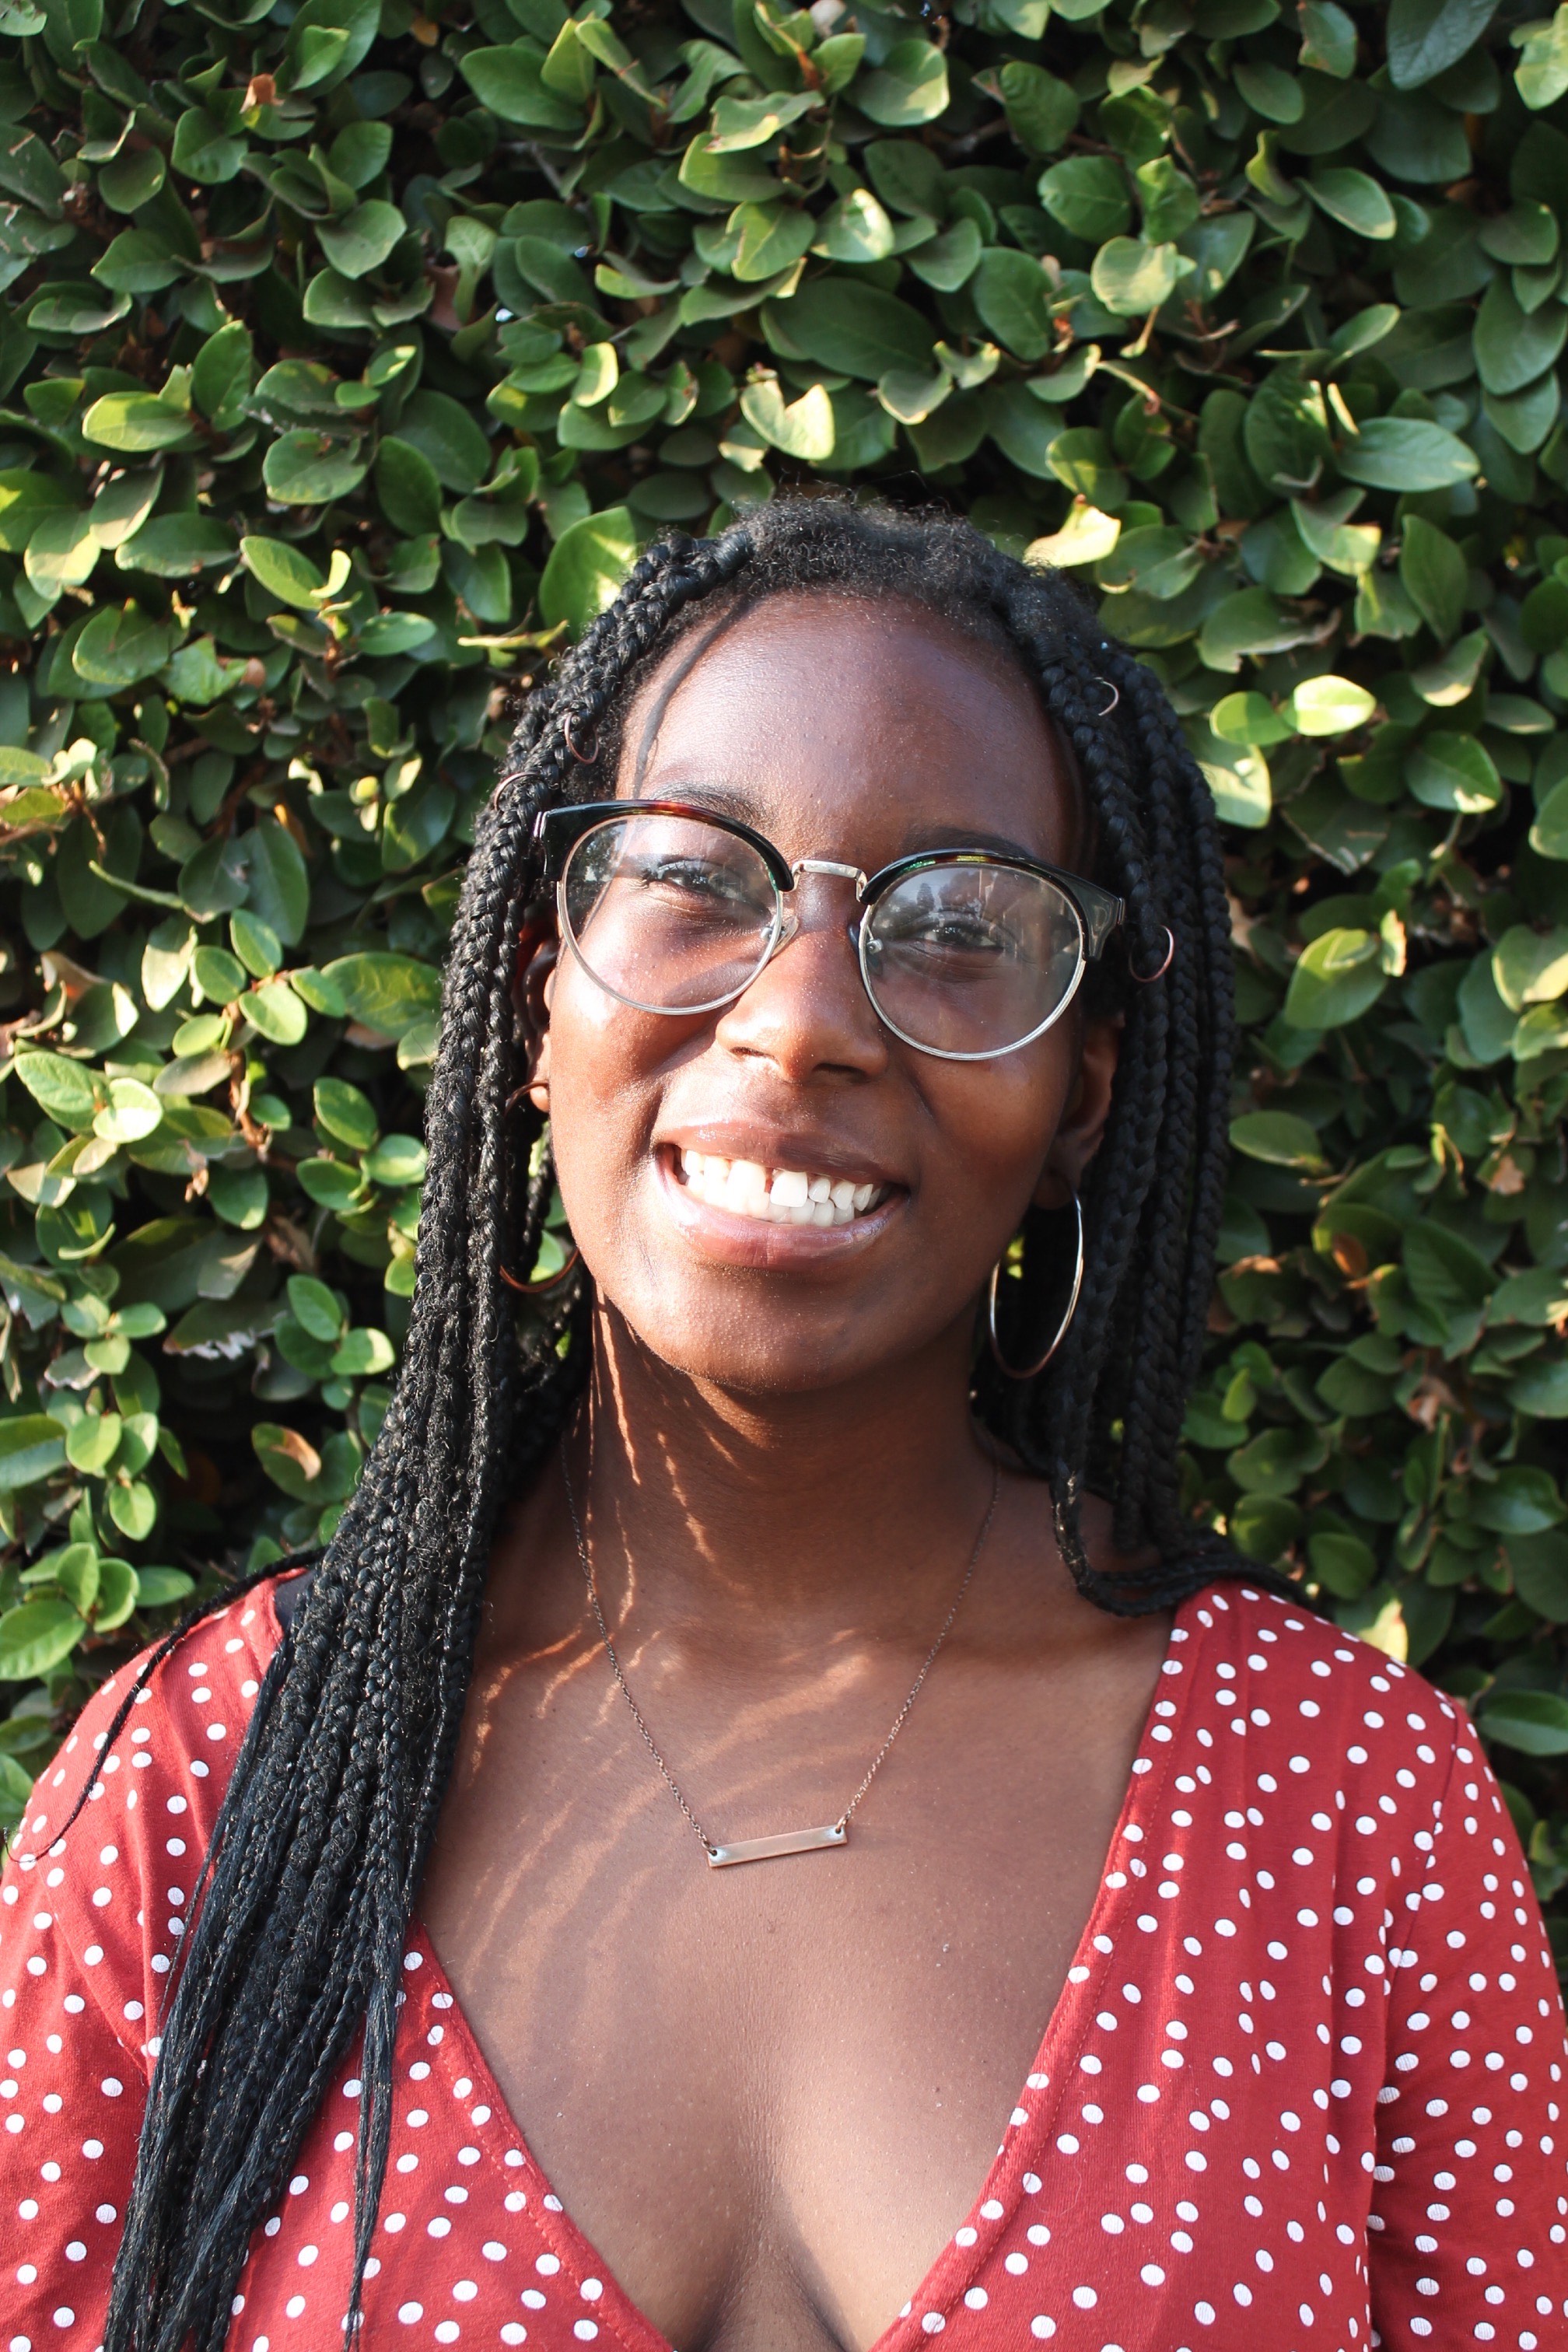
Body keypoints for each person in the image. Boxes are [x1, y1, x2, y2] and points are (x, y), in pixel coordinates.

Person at [2, 501, 1564, 2352]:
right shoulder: (208, 1783)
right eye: (696, 878)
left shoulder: (1350, 1802)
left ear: (1084, 1090)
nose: (804, 1019)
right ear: (538, 989)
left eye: (960, 925)